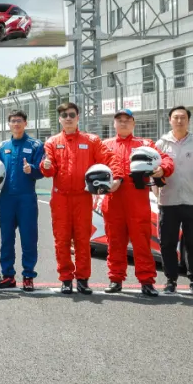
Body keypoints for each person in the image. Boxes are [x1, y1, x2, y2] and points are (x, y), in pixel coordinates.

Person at [39, 102, 122, 295]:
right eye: (64, 115)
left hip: (83, 197)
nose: (68, 118)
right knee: (61, 240)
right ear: (60, 119)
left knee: (83, 239)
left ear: (78, 117)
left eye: (71, 115)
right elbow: (49, 171)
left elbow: (110, 158)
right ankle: (66, 279)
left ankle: (83, 279)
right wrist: (45, 166)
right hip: (60, 198)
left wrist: (117, 177)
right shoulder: (52, 142)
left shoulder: (91, 140)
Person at [102, 109, 174, 297]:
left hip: (138, 201)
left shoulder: (145, 144)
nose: (123, 123)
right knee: (115, 242)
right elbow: (92, 166)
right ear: (114, 124)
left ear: (134, 123)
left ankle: (147, 281)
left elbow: (166, 160)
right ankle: (115, 279)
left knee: (142, 242)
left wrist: (162, 169)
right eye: (119, 120)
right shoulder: (105, 145)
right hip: (113, 200)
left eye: (127, 120)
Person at [155, 106, 193, 296]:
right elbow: (153, 171)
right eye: (176, 117)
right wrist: (157, 193)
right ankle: (170, 280)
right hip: (168, 201)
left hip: (192, 202)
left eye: (183, 118)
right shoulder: (161, 144)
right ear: (169, 120)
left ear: (188, 120)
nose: (179, 121)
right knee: (167, 243)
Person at [0, 110, 44, 291]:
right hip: (6, 198)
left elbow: (41, 170)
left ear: (25, 123)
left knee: (28, 238)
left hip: (26, 198)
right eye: (13, 121)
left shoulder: (36, 145)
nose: (16, 124)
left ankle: (28, 275)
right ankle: (8, 275)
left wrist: (32, 169)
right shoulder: (2, 146)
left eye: (19, 121)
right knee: (6, 238)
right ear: (9, 124)